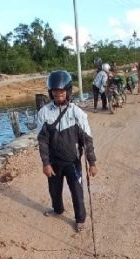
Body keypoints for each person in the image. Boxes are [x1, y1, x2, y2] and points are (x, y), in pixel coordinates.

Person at [37, 70, 98, 233]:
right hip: (54, 162)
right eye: (55, 91)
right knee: (54, 190)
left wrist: (92, 162)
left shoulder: (77, 113)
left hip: (72, 162)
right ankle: (58, 210)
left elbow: (87, 140)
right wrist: (46, 163)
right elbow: (42, 141)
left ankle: (80, 219)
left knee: (77, 192)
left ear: (68, 91)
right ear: (51, 92)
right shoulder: (44, 113)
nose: (59, 94)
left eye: (62, 91)